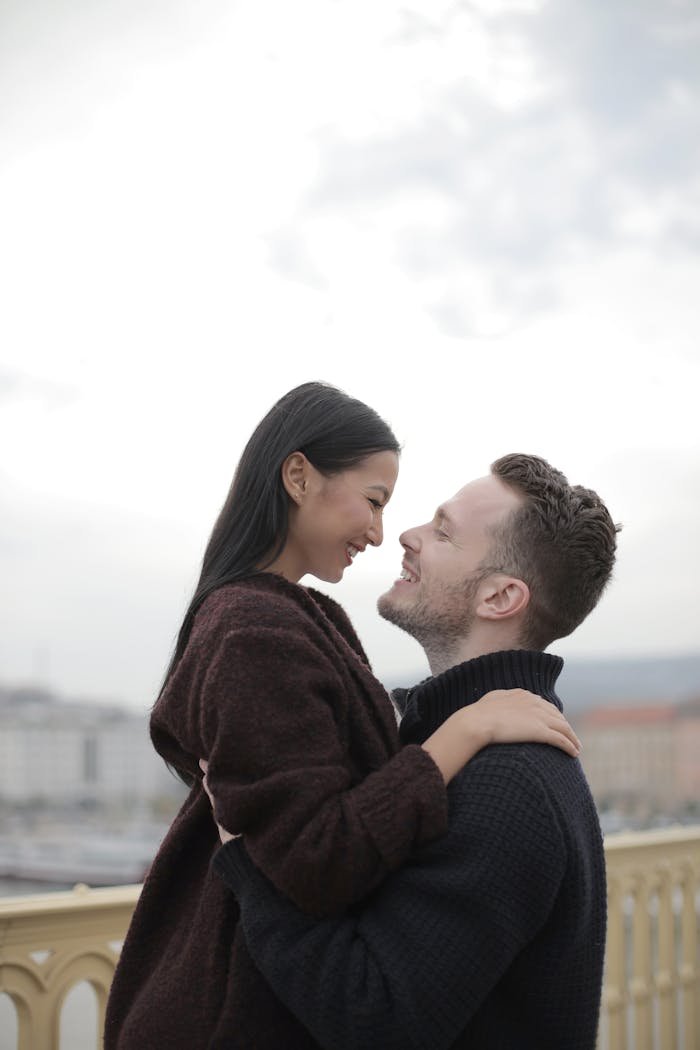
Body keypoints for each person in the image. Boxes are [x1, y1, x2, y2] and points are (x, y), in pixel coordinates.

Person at [103, 387, 578, 1050]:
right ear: (298, 476)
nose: (384, 534)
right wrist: (463, 731)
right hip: (227, 1017)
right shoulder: (253, 633)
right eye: (376, 500)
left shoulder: (303, 619)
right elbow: (316, 858)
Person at [206, 453, 620, 1050]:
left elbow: (373, 1016)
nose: (405, 534)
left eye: (443, 531)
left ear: (500, 596)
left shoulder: (509, 783)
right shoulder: (461, 746)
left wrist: (251, 864)